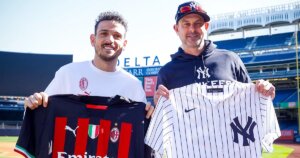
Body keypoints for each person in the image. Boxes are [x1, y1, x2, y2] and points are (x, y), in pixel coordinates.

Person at [24, 11, 154, 118]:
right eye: (104, 34)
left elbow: (143, 129)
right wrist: (33, 105)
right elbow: (42, 112)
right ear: (93, 40)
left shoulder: (133, 85)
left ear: (124, 44)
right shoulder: (68, 73)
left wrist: (149, 113)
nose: (110, 40)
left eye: (117, 35)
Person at [153, 1, 275, 105]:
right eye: (186, 24)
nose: (192, 29)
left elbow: (251, 101)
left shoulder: (230, 60)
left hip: (229, 132)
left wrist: (264, 92)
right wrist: (158, 105)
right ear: (176, 29)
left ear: (206, 26)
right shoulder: (167, 72)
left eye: (198, 23)